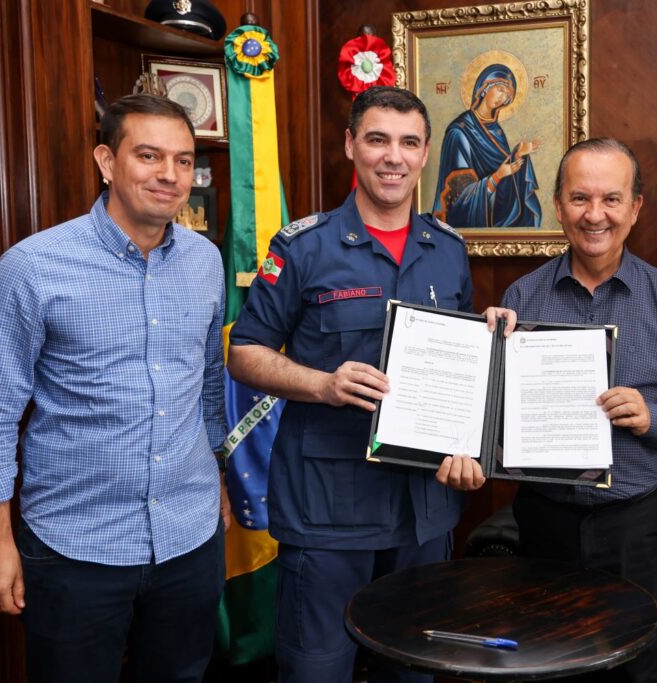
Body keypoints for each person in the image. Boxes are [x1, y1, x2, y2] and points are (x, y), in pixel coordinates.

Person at [227, 86, 512, 683]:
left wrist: (493, 343)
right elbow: (246, 354)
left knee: (411, 672)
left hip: (424, 511)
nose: (394, 157)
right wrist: (323, 384)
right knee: (317, 672)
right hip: (329, 510)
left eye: (409, 143)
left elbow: (457, 370)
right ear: (351, 145)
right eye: (378, 139)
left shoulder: (449, 250)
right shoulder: (302, 247)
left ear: (427, 152)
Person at [0, 94, 229, 683]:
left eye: (184, 161)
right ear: (106, 162)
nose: (169, 175)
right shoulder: (32, 268)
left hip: (189, 537)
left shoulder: (206, 262)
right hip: (74, 545)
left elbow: (208, 384)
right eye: (149, 156)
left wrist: (217, 480)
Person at [498, 138, 657, 682]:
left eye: (611, 199)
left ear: (635, 208)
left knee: (633, 667)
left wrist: (655, 417)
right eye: (579, 198)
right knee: (544, 663)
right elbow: (492, 413)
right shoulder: (520, 299)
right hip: (543, 516)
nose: (594, 215)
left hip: (634, 523)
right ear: (557, 205)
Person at [432, 63, 543, 227]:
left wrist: (518, 155)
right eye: (500, 89)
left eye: (507, 95)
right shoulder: (459, 132)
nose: (502, 97)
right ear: (484, 88)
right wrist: (497, 177)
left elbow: (505, 179)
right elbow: (459, 198)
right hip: (470, 220)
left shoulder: (496, 131)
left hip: (494, 213)